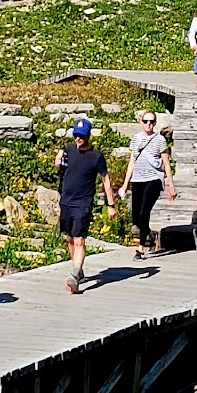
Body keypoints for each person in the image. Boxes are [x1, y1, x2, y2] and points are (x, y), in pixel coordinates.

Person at [55, 116, 116, 294]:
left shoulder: (96, 156)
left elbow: (106, 179)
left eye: (81, 136)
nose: (78, 139)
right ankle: (78, 269)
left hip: (83, 202)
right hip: (66, 200)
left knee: (79, 239)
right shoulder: (68, 150)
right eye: (76, 135)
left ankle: (74, 275)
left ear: (88, 135)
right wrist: (58, 161)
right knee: (69, 238)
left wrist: (110, 204)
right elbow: (59, 167)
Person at [119, 108, 176, 255]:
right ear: (141, 122)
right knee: (135, 215)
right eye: (146, 121)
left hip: (153, 179)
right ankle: (150, 235)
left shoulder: (160, 140)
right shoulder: (136, 139)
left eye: (151, 121)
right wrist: (125, 185)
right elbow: (132, 161)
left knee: (145, 212)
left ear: (155, 123)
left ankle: (141, 247)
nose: (149, 124)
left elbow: (166, 163)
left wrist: (170, 185)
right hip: (138, 179)